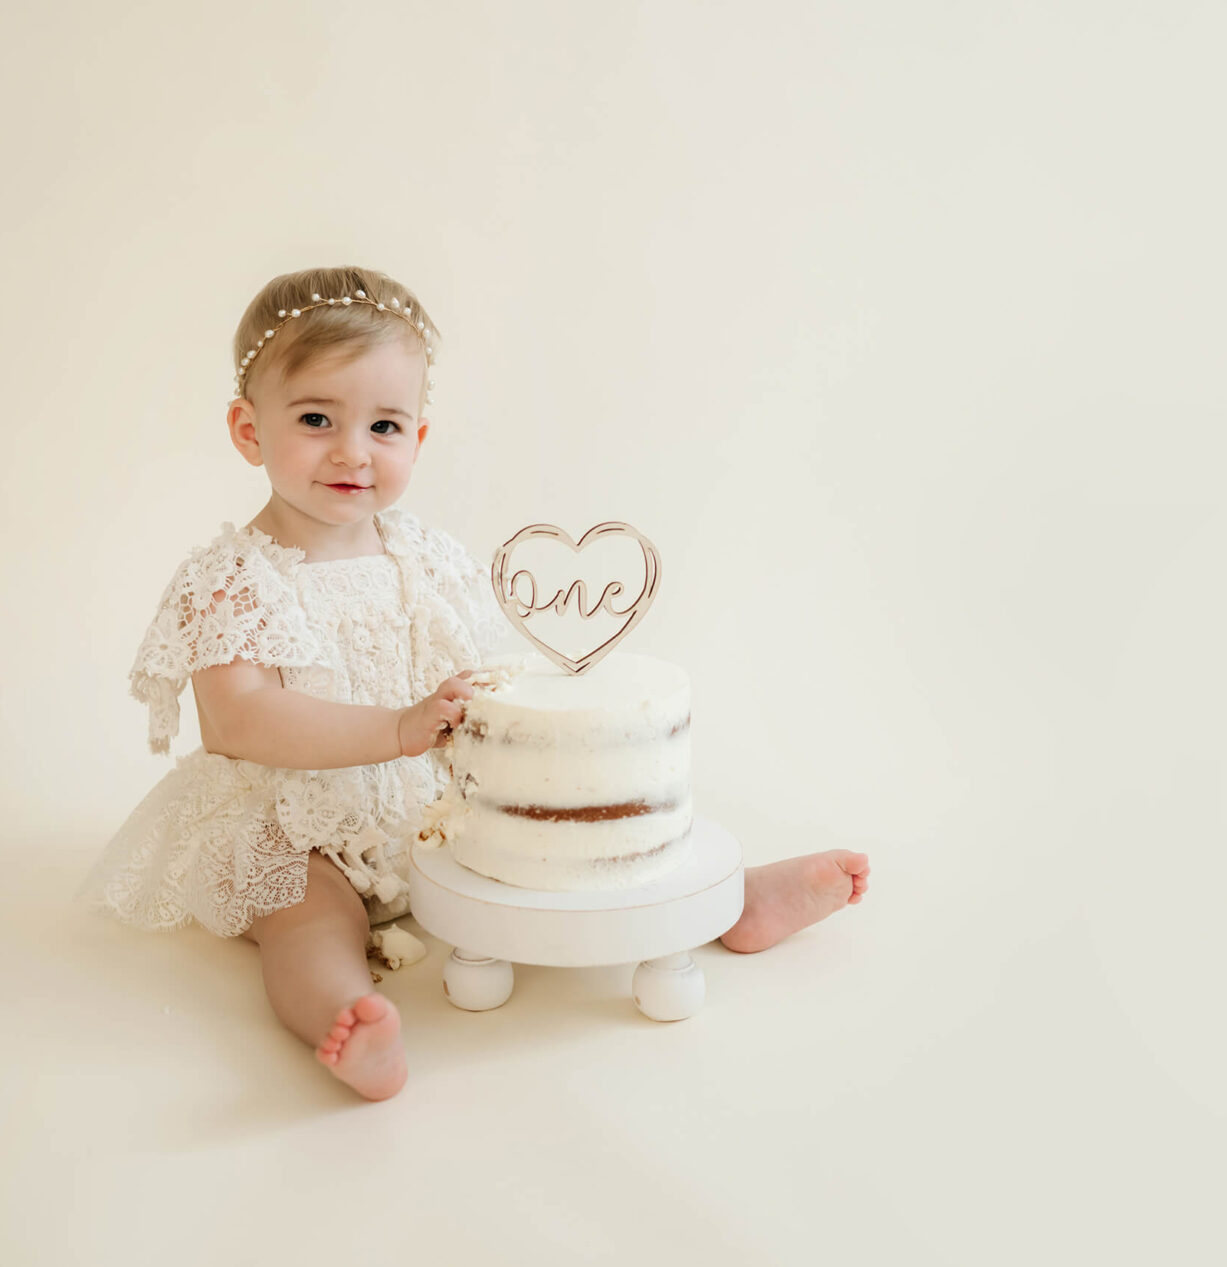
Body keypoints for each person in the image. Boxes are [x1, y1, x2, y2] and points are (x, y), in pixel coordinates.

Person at [78, 265, 872, 1102]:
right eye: (317, 418)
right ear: (248, 430)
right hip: (292, 819)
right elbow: (239, 718)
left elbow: (477, 669)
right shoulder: (233, 578)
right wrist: (393, 729)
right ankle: (345, 1015)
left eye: (384, 424)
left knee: (559, 841)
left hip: (425, 802)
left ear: (417, 439)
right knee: (309, 919)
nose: (354, 450)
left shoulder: (424, 556)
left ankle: (723, 904)